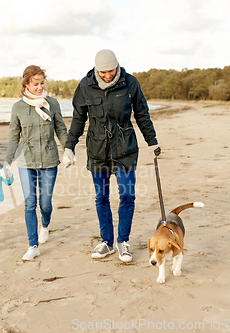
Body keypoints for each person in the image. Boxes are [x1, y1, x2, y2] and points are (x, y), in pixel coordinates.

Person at [63, 49, 161, 262]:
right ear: (96, 70)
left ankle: (123, 241)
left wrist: (152, 142)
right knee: (102, 197)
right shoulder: (85, 86)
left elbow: (142, 115)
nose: (108, 75)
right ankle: (107, 242)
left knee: (127, 195)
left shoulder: (130, 83)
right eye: (103, 72)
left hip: (125, 149)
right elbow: (78, 119)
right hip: (97, 150)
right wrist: (69, 147)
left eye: (111, 71)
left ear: (117, 66)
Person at [3, 65, 68, 261]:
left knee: (45, 203)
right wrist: (6, 162)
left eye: (42, 83)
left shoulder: (53, 103)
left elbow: (61, 130)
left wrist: (69, 150)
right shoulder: (18, 108)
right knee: (30, 203)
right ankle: (33, 245)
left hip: (49, 159)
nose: (40, 87)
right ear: (26, 84)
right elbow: (14, 137)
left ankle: (45, 225)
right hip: (26, 161)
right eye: (36, 84)